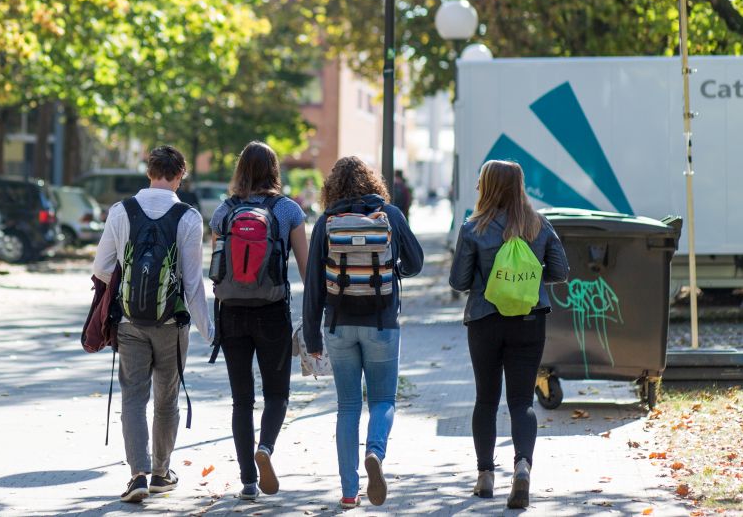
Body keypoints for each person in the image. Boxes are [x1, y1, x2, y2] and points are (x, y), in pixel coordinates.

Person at [91, 145, 214, 503]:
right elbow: (193, 283)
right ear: (180, 176)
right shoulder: (188, 217)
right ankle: (162, 472)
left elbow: (101, 267)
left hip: (129, 321)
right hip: (172, 324)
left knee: (133, 397)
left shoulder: (121, 211)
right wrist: (209, 331)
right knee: (166, 399)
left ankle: (138, 476)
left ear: (149, 172)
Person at [302, 156, 423, 510]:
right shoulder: (390, 215)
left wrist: (312, 339)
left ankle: (348, 492)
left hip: (338, 325)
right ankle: (375, 452)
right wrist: (392, 268)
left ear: (331, 187)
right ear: (373, 182)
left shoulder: (326, 221)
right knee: (383, 400)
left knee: (348, 406)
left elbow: (313, 287)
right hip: (382, 323)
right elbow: (415, 262)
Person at [448, 160, 568, 509]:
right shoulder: (539, 224)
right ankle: (522, 468)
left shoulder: (473, 228)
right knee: (521, 402)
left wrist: (489, 280)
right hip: (529, 321)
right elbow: (560, 271)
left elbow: (458, 281)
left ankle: (485, 476)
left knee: (486, 400)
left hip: (485, 320)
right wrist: (527, 280)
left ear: (486, 186)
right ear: (519, 186)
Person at [208, 141, 308, 501]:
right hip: (272, 311)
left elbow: (218, 266)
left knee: (241, 400)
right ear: (274, 170)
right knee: (277, 394)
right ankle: (265, 447)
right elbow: (306, 269)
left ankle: (248, 481)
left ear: (240, 171)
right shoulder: (287, 210)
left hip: (231, 312)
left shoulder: (223, 212)